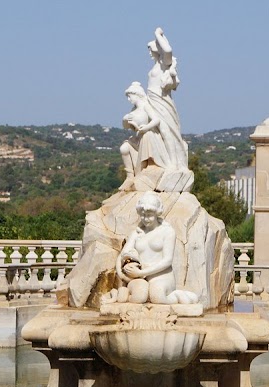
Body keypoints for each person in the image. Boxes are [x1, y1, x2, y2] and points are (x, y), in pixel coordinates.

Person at [105, 192, 198, 305]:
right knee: (139, 296)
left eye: (149, 215)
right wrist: (122, 274)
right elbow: (124, 253)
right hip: (138, 276)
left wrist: (142, 272)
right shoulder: (137, 233)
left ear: (157, 213)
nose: (145, 219)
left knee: (157, 296)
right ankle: (121, 294)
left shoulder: (167, 231)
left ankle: (177, 295)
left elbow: (167, 261)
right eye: (143, 215)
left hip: (161, 275)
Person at [144, 28, 188, 170]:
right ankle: (162, 160)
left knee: (165, 130)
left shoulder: (164, 63)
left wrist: (158, 34)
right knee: (155, 132)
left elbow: (168, 50)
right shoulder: (156, 65)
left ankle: (173, 162)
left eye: (150, 49)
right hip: (152, 100)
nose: (149, 53)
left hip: (161, 101)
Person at [120, 82, 170, 179]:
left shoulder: (146, 106)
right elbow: (127, 127)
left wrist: (146, 127)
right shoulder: (133, 110)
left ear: (137, 95)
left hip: (149, 137)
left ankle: (147, 167)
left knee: (147, 135)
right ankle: (130, 176)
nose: (128, 99)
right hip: (138, 138)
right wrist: (125, 120)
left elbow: (156, 120)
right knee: (124, 148)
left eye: (130, 96)